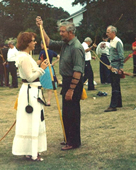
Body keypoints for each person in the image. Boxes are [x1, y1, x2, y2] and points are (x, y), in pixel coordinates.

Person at [36, 16, 85, 150]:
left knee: (72, 113)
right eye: (60, 31)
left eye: (63, 31)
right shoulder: (65, 44)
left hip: (73, 83)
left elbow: (78, 71)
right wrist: (41, 26)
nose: (60, 33)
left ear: (71, 32)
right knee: (66, 113)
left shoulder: (76, 47)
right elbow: (48, 42)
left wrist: (71, 89)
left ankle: (74, 142)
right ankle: (68, 138)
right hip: (67, 81)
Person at [12, 32, 48, 161]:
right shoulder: (25, 57)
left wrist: (39, 67)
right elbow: (30, 77)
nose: (35, 42)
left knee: (33, 120)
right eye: (33, 40)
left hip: (33, 91)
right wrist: (41, 68)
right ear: (27, 43)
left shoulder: (26, 55)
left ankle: (31, 151)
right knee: (32, 121)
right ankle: (32, 153)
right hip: (30, 93)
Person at [104, 25, 124, 112]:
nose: (106, 34)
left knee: (115, 85)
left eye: (108, 32)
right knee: (115, 84)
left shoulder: (117, 41)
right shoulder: (111, 41)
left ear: (113, 32)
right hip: (113, 65)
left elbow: (121, 56)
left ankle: (113, 105)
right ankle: (118, 103)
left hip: (116, 67)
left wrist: (121, 68)